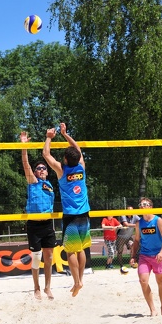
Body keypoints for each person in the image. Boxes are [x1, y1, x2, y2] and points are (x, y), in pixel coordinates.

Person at [43, 123, 91, 297]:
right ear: (77, 159)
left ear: (64, 159)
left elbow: (46, 155)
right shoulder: (81, 167)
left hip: (71, 216)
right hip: (84, 213)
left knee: (71, 251)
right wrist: (65, 134)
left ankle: (77, 281)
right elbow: (77, 148)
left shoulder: (61, 171)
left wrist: (49, 136)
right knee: (82, 250)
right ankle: (81, 280)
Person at [20, 131, 56, 300]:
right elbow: (25, 163)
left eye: (44, 168)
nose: (41, 169)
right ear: (35, 172)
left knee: (49, 256)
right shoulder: (33, 182)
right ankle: (36, 288)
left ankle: (48, 287)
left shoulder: (50, 185)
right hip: (34, 225)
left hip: (48, 224)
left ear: (47, 172)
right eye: (38, 168)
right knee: (36, 258)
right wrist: (24, 146)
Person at [130, 197, 162, 316]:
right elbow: (136, 241)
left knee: (160, 282)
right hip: (145, 256)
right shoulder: (139, 223)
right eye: (140, 205)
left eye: (145, 204)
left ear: (150, 207)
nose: (142, 206)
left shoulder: (158, 220)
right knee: (143, 281)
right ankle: (152, 309)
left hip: (158, 256)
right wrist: (133, 256)